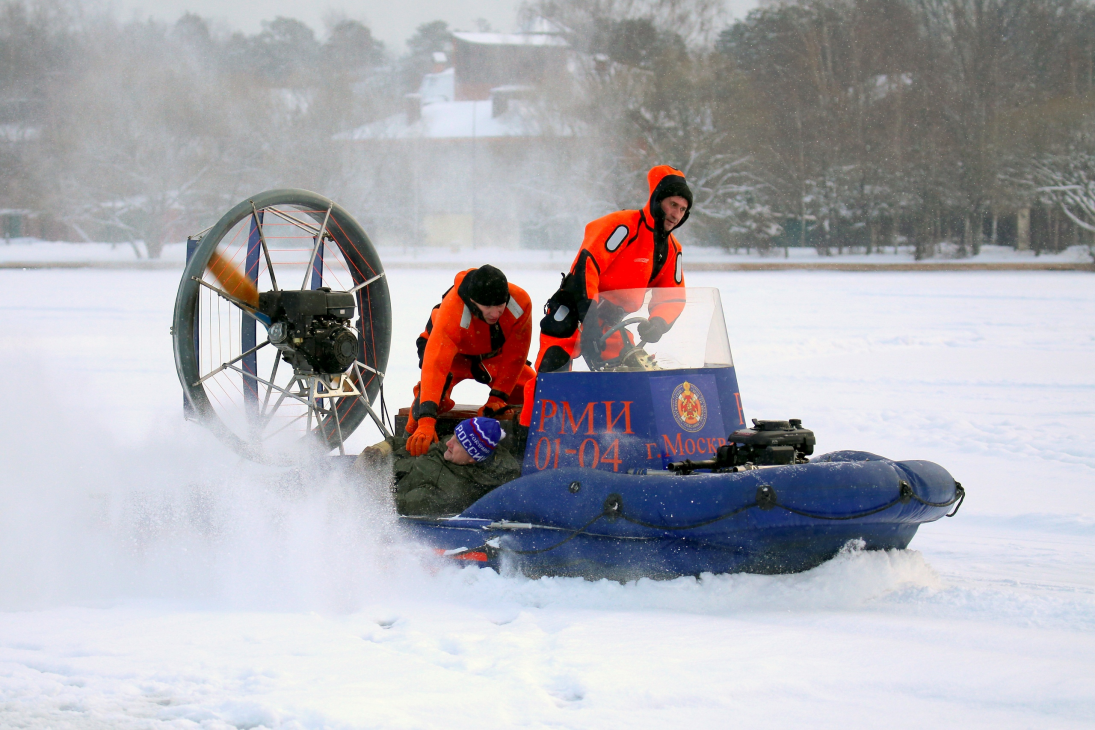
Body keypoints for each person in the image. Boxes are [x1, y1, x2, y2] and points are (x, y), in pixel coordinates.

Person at [520, 165, 693, 422]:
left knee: (633, 373)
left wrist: (658, 322)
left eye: (682, 209)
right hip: (573, 309)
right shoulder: (623, 226)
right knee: (552, 375)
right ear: (658, 200)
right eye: (672, 204)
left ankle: (622, 433)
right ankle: (529, 433)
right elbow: (587, 266)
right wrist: (587, 318)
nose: (676, 214)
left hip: (609, 321)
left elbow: (672, 295)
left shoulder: (670, 249)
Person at [405, 265, 534, 456]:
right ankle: (403, 448)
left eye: (500, 305)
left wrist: (498, 398)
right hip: (452, 358)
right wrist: (426, 421)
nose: (495, 313)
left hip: (492, 357)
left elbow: (516, 355)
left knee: (533, 393)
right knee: (425, 408)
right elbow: (436, 366)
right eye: (487, 307)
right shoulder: (452, 311)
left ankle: (526, 453)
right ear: (473, 302)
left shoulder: (520, 302)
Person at [357, 417, 520, 516]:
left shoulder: (452, 491)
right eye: (454, 436)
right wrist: (383, 448)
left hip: (370, 492)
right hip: (375, 470)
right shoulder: (454, 453)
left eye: (457, 443)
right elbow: (413, 446)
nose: (449, 442)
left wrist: (357, 494)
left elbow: (397, 504)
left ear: (472, 458)